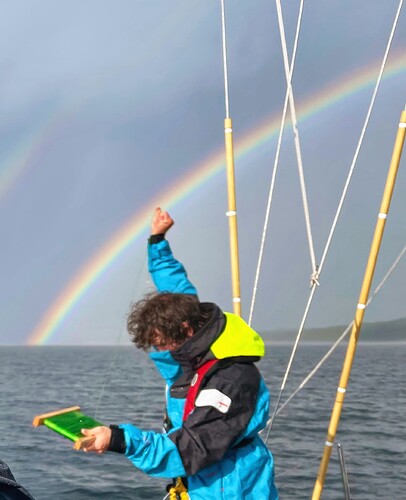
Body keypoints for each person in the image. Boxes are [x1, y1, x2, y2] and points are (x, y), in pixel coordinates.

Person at [82, 208, 278, 499]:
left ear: (185, 331)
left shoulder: (230, 381)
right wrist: (157, 241)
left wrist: (120, 440)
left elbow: (193, 447)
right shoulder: (193, 337)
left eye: (162, 343)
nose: (160, 352)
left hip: (228, 485)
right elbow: (176, 289)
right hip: (198, 478)